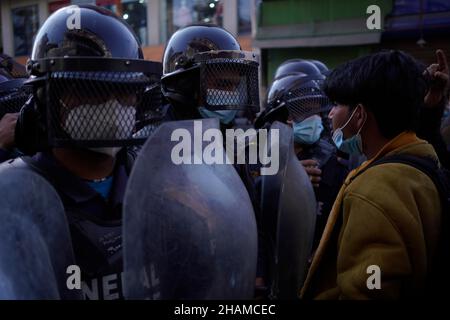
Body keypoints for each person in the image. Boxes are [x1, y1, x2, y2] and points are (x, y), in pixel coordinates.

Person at [4, 5, 162, 300]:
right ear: (49, 98)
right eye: (93, 90)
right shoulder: (14, 198)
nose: (114, 106)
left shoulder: (154, 180)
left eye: (125, 91)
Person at [300, 50, 443, 299]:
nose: (330, 114)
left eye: (337, 104)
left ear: (359, 115)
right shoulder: (421, 161)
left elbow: (368, 292)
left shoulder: (373, 190)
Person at [160, 24, 267, 294]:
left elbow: (249, 209)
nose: (230, 94)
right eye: (222, 84)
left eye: (233, 86)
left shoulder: (228, 136)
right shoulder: (155, 140)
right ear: (186, 84)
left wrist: (257, 272)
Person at [255, 69, 349, 251]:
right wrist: (277, 181)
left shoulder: (332, 166)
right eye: (304, 111)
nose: (314, 118)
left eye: (317, 111)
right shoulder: (253, 159)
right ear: (281, 117)